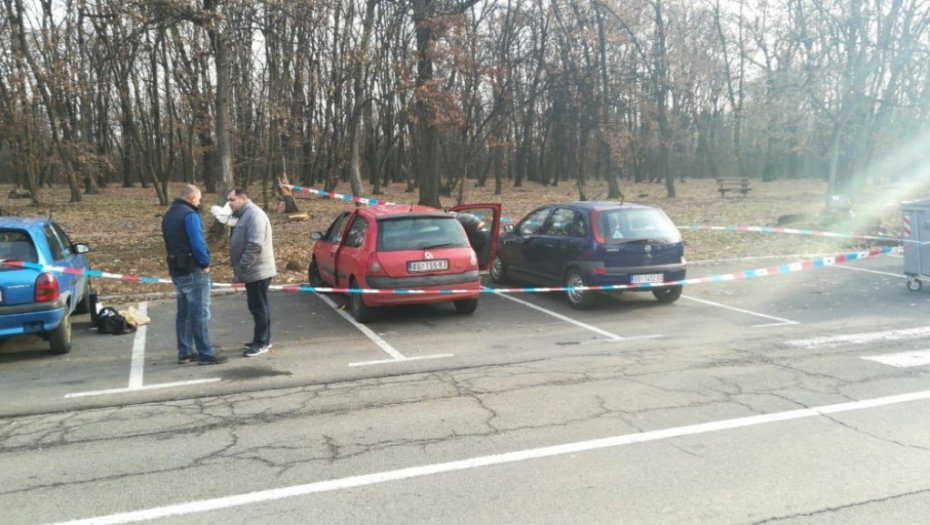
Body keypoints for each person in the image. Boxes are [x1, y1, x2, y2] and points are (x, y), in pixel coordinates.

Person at [161, 184, 228, 365]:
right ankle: (205, 353)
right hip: (193, 269)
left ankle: (185, 352)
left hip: (176, 269)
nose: (199, 203)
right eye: (198, 199)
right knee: (199, 313)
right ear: (192, 198)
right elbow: (197, 242)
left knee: (184, 314)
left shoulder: (169, 214)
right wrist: (205, 263)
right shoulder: (189, 215)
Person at [227, 188, 277, 357]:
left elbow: (255, 245)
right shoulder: (244, 215)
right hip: (252, 270)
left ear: (243, 199)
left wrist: (243, 265)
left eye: (232, 200)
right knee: (258, 307)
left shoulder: (254, 215)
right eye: (228, 200)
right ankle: (263, 339)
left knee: (258, 308)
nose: (229, 203)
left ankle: (261, 342)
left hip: (258, 271)